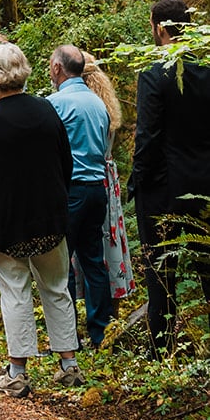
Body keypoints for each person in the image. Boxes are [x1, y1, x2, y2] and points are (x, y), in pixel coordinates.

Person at [0, 43, 82, 398]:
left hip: (5, 222)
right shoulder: (46, 108)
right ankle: (70, 367)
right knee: (57, 289)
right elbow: (65, 161)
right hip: (49, 219)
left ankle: (17, 373)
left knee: (15, 292)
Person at [129, 0, 210, 355]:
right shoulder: (207, 66)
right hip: (206, 184)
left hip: (163, 188)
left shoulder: (154, 72)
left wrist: (137, 181)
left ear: (160, 28)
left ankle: (163, 349)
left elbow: (147, 136)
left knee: (161, 271)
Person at [47, 44, 112, 349]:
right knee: (93, 261)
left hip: (69, 191)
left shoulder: (55, 103)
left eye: (50, 65)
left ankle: (67, 336)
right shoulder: (99, 104)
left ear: (58, 68)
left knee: (61, 265)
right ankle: (99, 333)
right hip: (97, 190)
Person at [82, 56, 134, 306]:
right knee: (106, 240)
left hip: (90, 177)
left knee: (91, 241)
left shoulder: (85, 108)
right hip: (106, 178)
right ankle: (110, 303)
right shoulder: (105, 107)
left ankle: (93, 303)